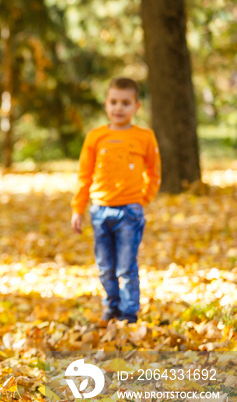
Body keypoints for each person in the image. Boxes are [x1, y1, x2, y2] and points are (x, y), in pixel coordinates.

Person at [71, 77, 161, 328]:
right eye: (113, 102)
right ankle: (111, 306)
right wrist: (78, 208)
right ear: (106, 104)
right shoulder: (95, 136)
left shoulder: (145, 137)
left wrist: (142, 199)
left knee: (126, 265)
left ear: (137, 106)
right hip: (100, 210)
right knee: (105, 267)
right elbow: (84, 175)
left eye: (125, 103)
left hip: (130, 212)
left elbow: (154, 173)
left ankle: (129, 313)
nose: (119, 108)